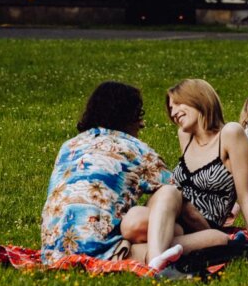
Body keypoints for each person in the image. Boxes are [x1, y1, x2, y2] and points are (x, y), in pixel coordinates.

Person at [40, 81, 174, 265]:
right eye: (138, 115)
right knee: (173, 230)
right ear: (127, 116)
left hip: (52, 253)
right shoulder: (136, 149)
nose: (142, 124)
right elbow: (176, 195)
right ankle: (215, 242)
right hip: (99, 252)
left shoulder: (69, 146)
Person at [139, 79, 248, 271]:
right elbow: (188, 184)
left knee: (167, 196)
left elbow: (245, 197)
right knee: (132, 223)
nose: (173, 113)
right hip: (175, 218)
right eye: (171, 108)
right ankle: (159, 257)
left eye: (178, 104)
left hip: (202, 223)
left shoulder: (230, 134)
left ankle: (155, 260)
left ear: (198, 98)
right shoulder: (185, 135)